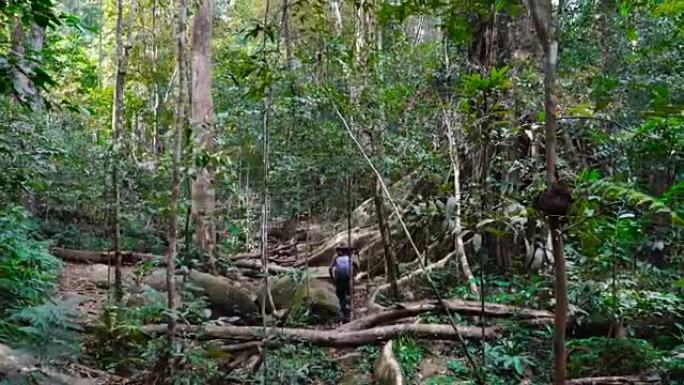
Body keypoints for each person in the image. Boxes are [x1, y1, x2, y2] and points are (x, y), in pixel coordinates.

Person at [328, 242, 358, 323]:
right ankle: (350, 314)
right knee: (349, 295)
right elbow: (356, 267)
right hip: (349, 279)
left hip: (339, 279)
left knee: (341, 297)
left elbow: (330, 268)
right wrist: (354, 276)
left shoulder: (336, 257)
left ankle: (344, 315)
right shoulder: (351, 257)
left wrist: (332, 278)